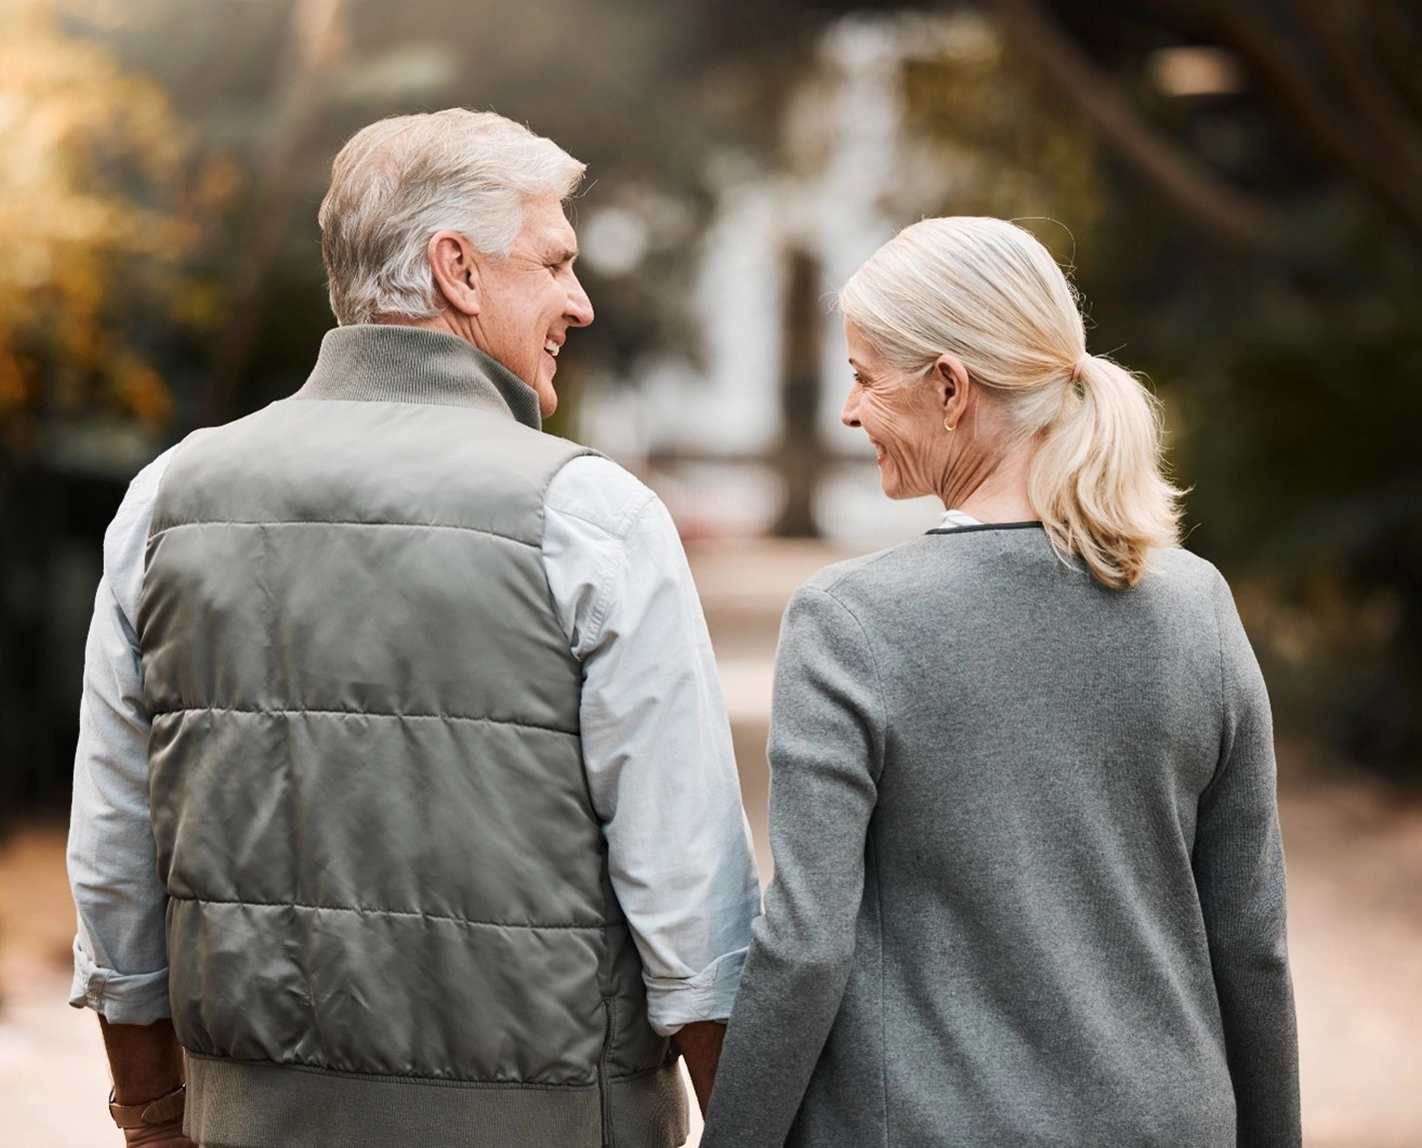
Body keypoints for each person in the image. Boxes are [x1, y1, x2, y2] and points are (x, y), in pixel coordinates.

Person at [67, 109, 759, 1148]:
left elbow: (115, 869)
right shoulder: (590, 517)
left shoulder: (165, 502)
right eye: (557, 261)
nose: (580, 301)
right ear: (458, 271)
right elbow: (693, 910)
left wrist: (156, 1119)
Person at [701, 216, 1300, 1147]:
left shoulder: (851, 623)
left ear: (949, 388)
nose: (850, 412)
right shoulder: (1199, 609)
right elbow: (1250, 944)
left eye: (864, 377)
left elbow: (806, 945)